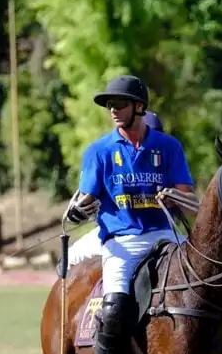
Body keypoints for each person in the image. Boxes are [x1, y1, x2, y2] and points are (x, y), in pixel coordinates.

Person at [65, 76, 196, 354]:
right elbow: (87, 196)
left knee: (197, 289)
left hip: (163, 233)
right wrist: (78, 211)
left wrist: (173, 196)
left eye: (119, 103)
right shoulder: (99, 151)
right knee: (113, 310)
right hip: (121, 241)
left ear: (139, 106)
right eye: (109, 104)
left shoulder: (167, 147)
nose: (112, 110)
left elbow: (189, 197)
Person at [66, 111, 167, 267]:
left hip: (120, 238)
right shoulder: (166, 162)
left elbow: (82, 204)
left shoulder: (110, 158)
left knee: (67, 259)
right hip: (165, 235)